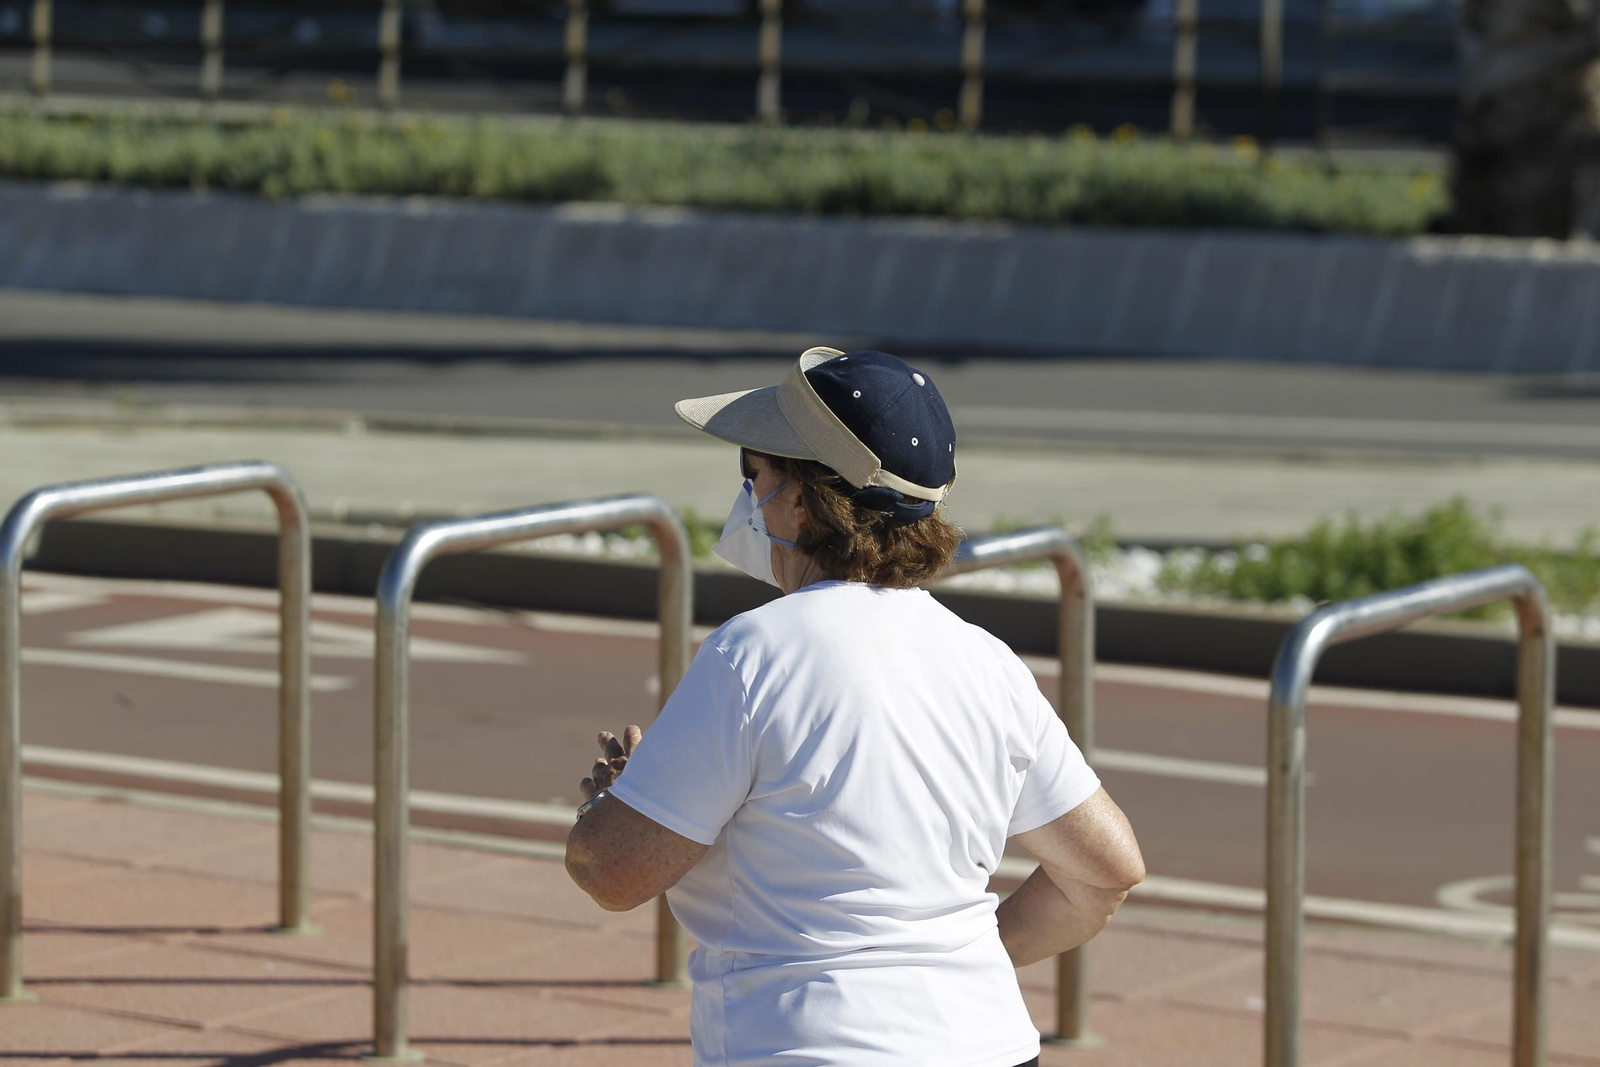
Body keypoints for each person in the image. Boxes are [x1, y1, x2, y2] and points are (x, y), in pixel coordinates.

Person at [565, 347, 1144, 1067]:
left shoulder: (754, 654)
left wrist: (612, 806)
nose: (748, 498)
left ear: (803, 499)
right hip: (987, 1042)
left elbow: (611, 872)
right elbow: (1106, 869)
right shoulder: (986, 661)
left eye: (755, 474)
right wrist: (943, 963)